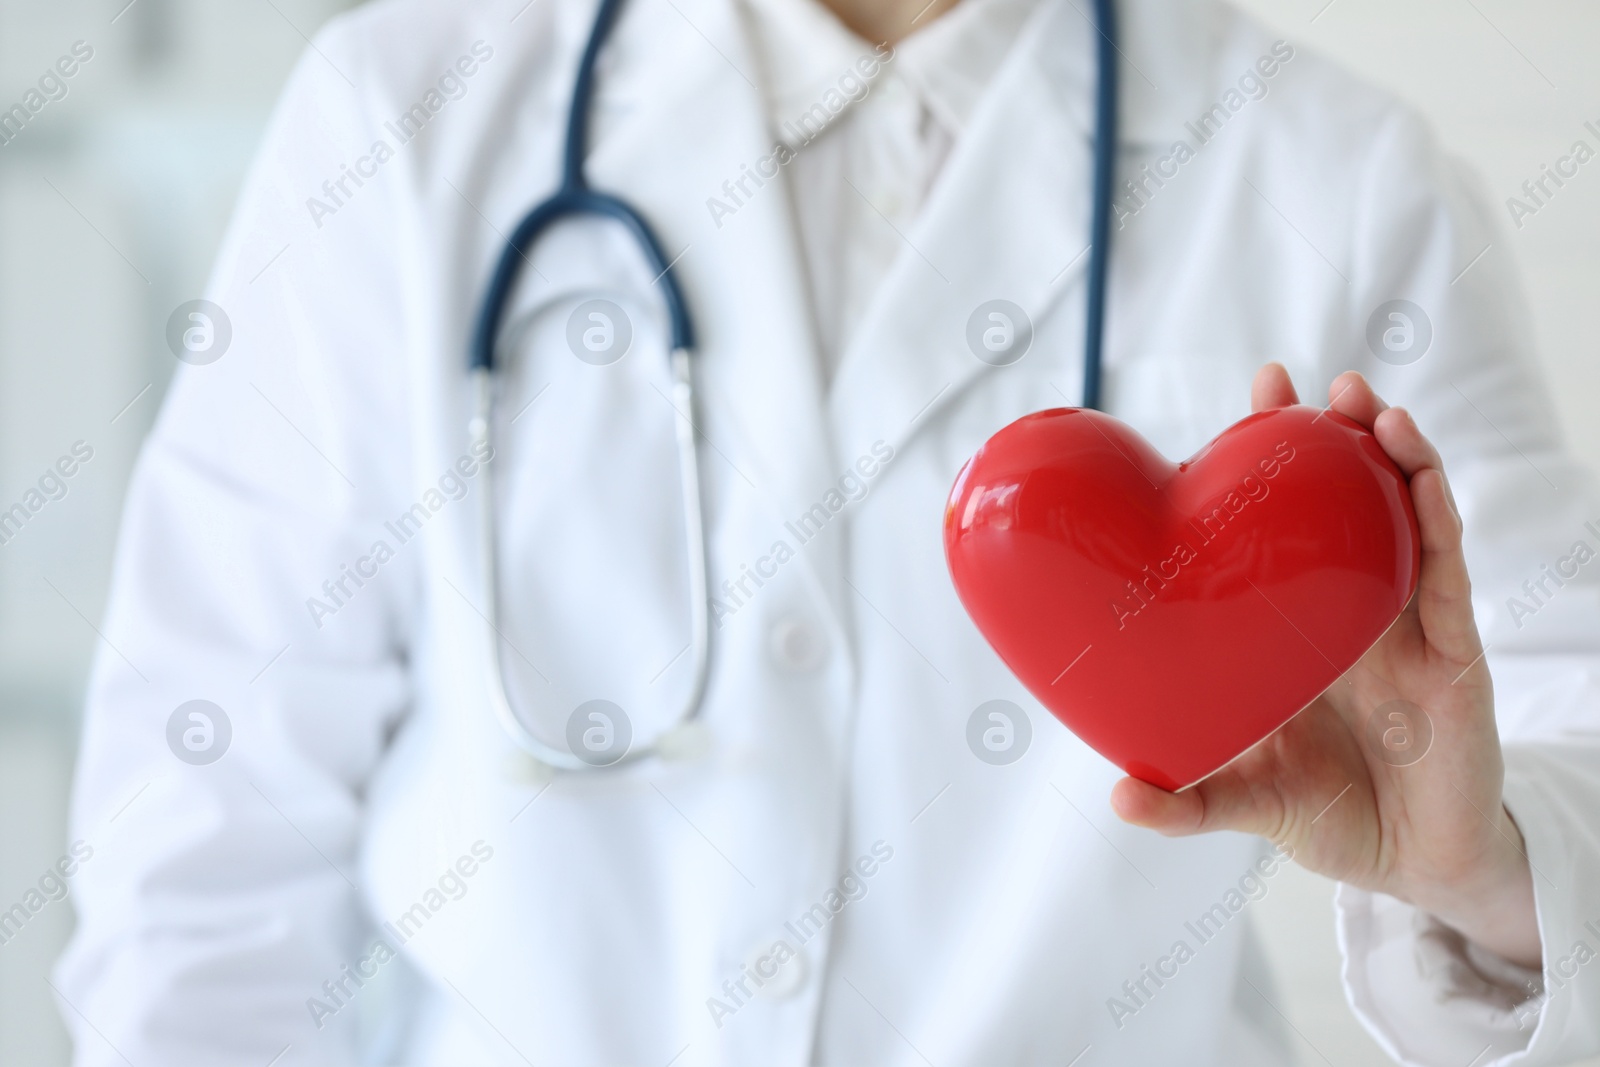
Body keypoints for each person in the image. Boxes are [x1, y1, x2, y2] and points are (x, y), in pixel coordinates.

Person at [53, 0, 1600, 1062]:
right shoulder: (400, 114)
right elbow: (204, 852)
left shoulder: (1334, 178)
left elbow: (1569, 719)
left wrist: (1475, 863)